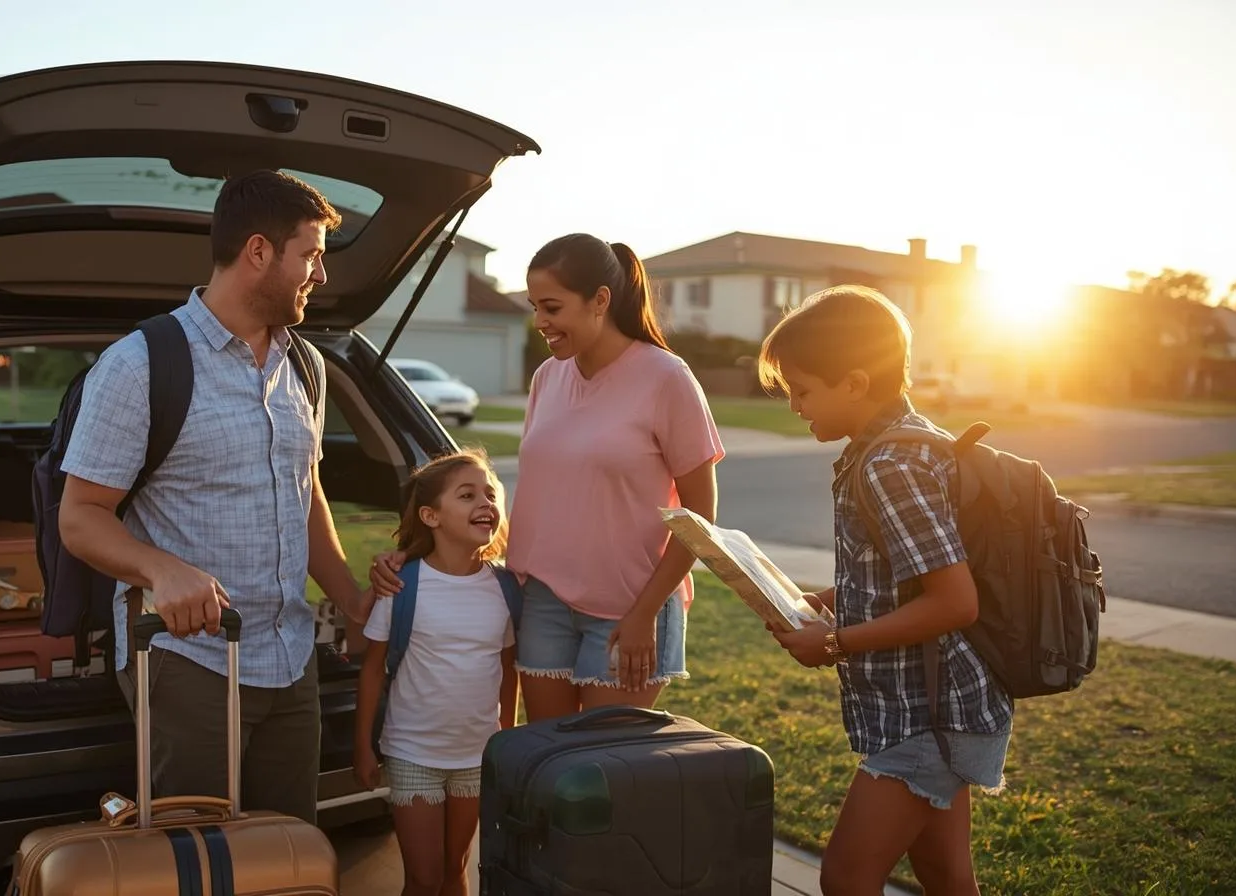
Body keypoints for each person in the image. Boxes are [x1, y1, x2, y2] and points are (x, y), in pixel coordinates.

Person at [57, 169, 373, 825]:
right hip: (190, 662)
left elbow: (303, 491)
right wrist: (162, 570)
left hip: (291, 658)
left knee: (287, 850)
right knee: (196, 855)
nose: (322, 276)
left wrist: (353, 604)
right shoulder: (141, 362)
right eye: (311, 255)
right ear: (259, 251)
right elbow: (81, 518)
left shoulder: (305, 366)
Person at [372, 233, 723, 723]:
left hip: (630, 609)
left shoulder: (667, 377)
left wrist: (646, 612)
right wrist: (416, 551)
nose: (539, 322)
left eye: (552, 308)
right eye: (536, 307)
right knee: (547, 760)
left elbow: (700, 517)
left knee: (598, 768)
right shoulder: (548, 378)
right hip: (543, 602)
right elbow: (545, 497)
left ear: (600, 300)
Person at [758, 285, 1012, 896]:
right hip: (930, 706)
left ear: (853, 383)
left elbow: (955, 602)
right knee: (946, 877)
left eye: (803, 390)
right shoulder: (888, 447)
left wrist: (837, 642)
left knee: (846, 877)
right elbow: (903, 578)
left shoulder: (889, 465)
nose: (795, 405)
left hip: (929, 714)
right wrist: (829, 599)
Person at [352, 448, 518, 896]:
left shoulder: (505, 588)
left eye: (490, 493)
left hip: (475, 758)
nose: (485, 503)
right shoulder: (402, 585)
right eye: (467, 495)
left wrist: (506, 741)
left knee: (455, 870)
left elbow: (507, 669)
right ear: (431, 515)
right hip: (413, 755)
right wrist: (362, 748)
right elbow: (371, 669)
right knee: (423, 880)